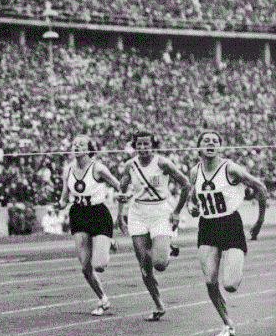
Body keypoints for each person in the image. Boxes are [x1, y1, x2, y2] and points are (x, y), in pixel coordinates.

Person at [188, 130, 266, 336]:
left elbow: (260, 187)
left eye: (215, 141)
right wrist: (191, 207)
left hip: (230, 224)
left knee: (230, 285)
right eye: (206, 140)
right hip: (207, 227)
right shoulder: (195, 171)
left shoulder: (230, 168)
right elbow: (191, 198)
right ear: (199, 147)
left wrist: (259, 222)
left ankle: (236, 262)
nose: (210, 143)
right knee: (210, 281)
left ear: (220, 146)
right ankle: (228, 324)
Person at [116, 131, 191, 322]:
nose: (142, 148)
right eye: (138, 144)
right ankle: (158, 304)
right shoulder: (129, 165)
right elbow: (122, 190)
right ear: (134, 146)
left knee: (160, 264)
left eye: (146, 144)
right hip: (138, 212)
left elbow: (186, 184)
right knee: (144, 265)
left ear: (153, 145)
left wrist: (177, 211)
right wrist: (120, 213)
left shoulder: (162, 163)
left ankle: (165, 249)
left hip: (160, 211)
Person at [53, 134, 123, 316]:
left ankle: (108, 243)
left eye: (81, 144)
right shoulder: (68, 170)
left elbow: (119, 186)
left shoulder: (98, 168)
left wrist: (120, 204)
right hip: (78, 214)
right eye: (75, 144)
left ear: (89, 148)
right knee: (85, 267)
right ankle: (103, 299)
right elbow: (64, 198)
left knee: (99, 265)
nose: (77, 147)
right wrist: (59, 205)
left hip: (98, 213)